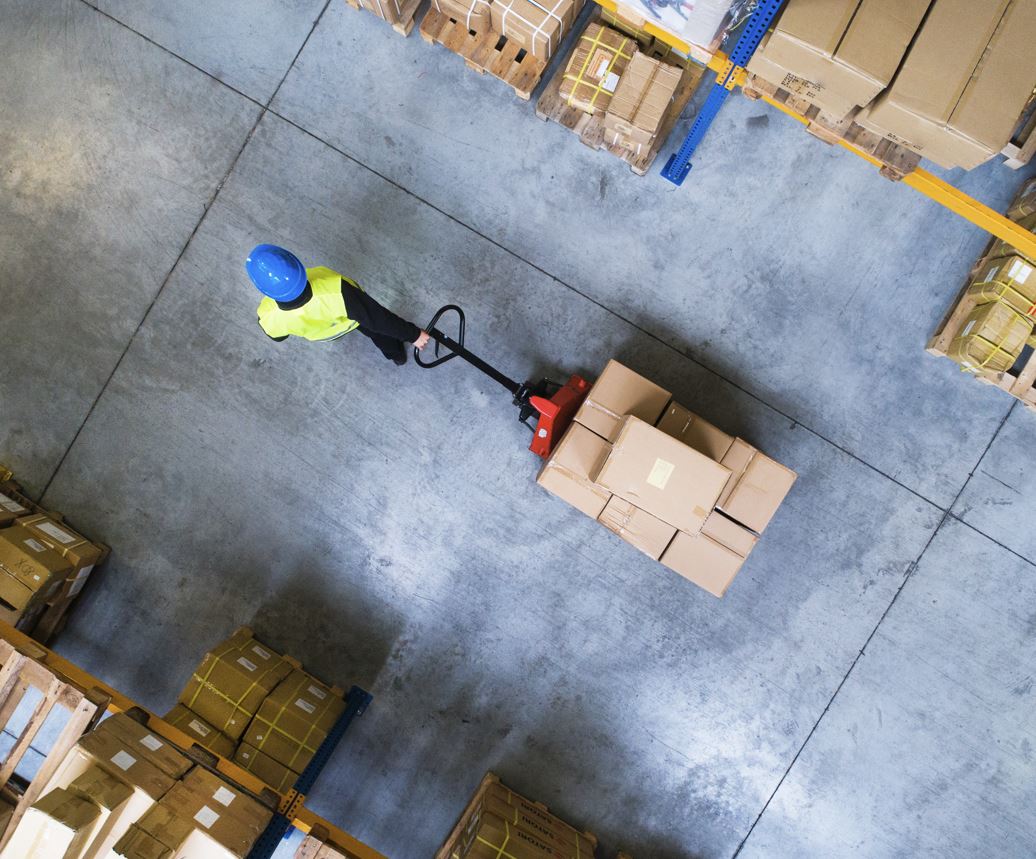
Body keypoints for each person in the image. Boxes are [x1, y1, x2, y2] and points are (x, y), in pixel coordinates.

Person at [246, 244, 430, 365]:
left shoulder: (268, 316)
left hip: (327, 332)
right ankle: (396, 354)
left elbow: (278, 337)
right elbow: (378, 318)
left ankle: (396, 357)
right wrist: (413, 335)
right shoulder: (337, 293)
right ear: (296, 266)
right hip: (351, 319)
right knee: (377, 332)